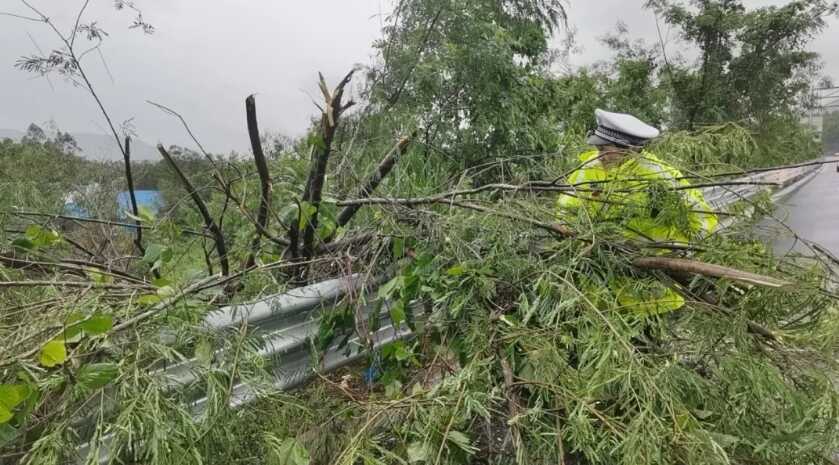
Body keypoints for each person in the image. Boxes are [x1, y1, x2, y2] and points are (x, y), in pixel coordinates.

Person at [557, 109, 718, 316]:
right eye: (598, 148)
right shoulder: (589, 169)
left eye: (605, 149)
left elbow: (703, 220)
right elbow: (566, 210)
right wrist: (570, 237)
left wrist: (670, 251)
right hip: (601, 291)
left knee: (646, 347)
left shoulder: (659, 176)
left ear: (630, 149)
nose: (600, 155)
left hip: (652, 294)